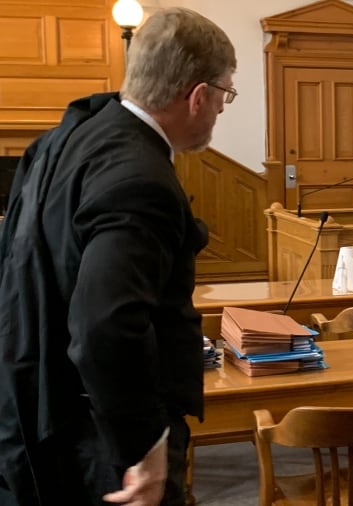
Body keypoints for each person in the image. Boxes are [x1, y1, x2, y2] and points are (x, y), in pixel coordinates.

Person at [0, 7, 236, 506]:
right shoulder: (140, 178)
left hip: (39, 399)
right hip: (102, 436)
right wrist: (143, 445)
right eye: (224, 95)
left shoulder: (63, 137)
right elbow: (105, 326)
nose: (220, 109)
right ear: (198, 96)